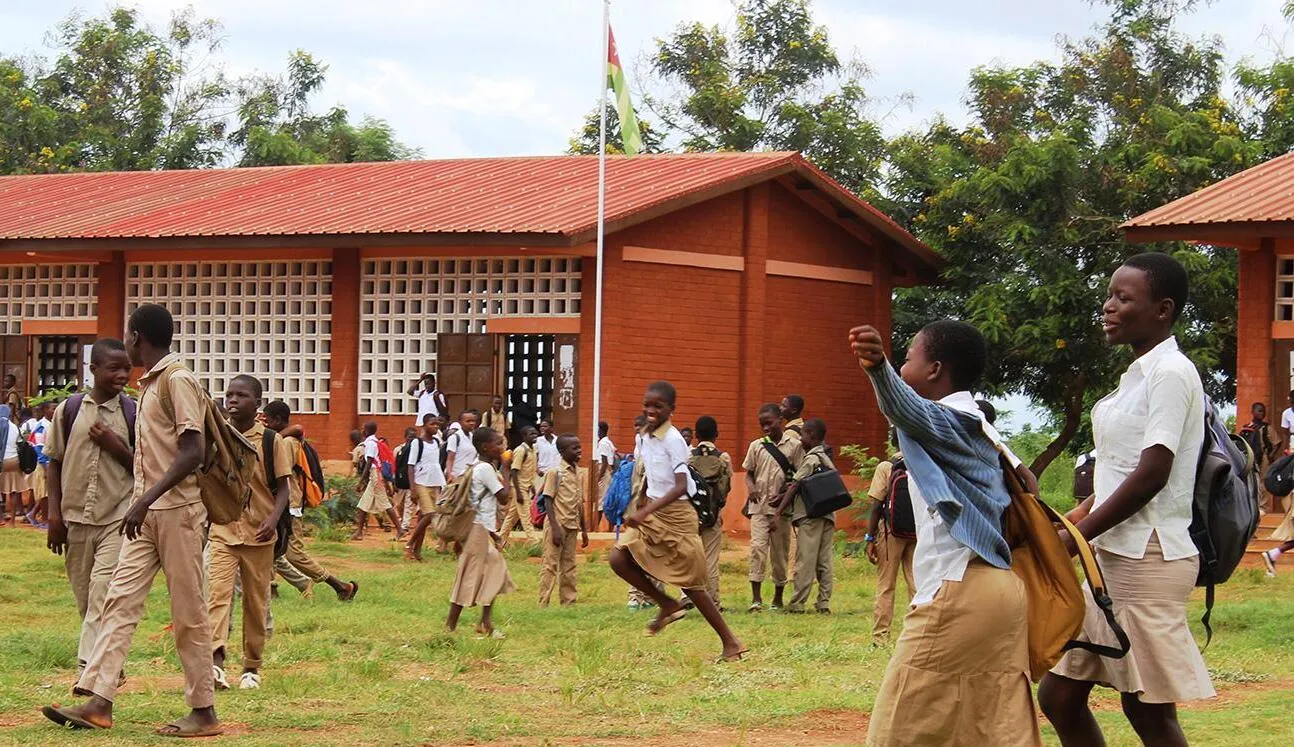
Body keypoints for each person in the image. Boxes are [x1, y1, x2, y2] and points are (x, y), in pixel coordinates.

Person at [1039, 253, 1214, 747]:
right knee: (1058, 697)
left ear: (1162, 309)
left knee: (1148, 709)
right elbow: (1121, 473)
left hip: (1147, 558)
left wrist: (1076, 538)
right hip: (1112, 558)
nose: (1108, 306)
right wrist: (1074, 521)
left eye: (1123, 297)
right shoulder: (1137, 375)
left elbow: (1152, 473)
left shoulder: (1171, 372)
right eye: (1109, 295)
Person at [850, 319, 1040, 746]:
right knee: (991, 731)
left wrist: (879, 367)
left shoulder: (950, 421)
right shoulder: (984, 428)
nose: (902, 365)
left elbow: (905, 408)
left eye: (908, 358)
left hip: (959, 591)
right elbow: (1029, 482)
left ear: (934, 370)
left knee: (895, 733)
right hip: (1001, 593)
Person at [43, 303, 222, 737]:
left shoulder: (177, 380)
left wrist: (145, 500)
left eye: (128, 335)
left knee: (189, 614)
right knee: (118, 602)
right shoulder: (152, 384)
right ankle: (99, 702)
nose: (126, 342)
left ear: (138, 336)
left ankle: (203, 711)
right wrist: (142, 504)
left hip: (176, 512)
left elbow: (193, 451)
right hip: (146, 514)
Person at [609, 381, 745, 661]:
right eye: (647, 404)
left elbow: (681, 485)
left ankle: (731, 642)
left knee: (692, 584)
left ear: (671, 409)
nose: (651, 410)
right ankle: (667, 604)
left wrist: (646, 511)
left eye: (658, 406)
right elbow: (651, 473)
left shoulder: (673, 439)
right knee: (618, 559)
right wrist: (644, 500)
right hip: (654, 511)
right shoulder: (645, 436)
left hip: (677, 515)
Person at [45, 339, 135, 683]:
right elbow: (53, 461)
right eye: (114, 368)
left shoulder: (132, 413)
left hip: (117, 516)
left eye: (126, 368)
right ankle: (112, 664)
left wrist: (115, 446)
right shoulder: (68, 411)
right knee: (85, 599)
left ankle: (90, 672)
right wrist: (54, 515)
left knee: (103, 592)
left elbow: (143, 466)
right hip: (75, 519)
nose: (122, 374)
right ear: (93, 369)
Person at [206, 375, 292, 691]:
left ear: (257, 403)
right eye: (228, 394)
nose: (232, 400)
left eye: (241, 395)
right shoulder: (218, 436)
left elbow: (284, 487)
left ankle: (251, 667)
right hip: (223, 530)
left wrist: (272, 518)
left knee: (256, 604)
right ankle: (215, 662)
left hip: (259, 535)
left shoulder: (272, 441)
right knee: (217, 597)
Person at [261, 401, 358, 600]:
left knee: (293, 553)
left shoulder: (287, 443)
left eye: (268, 420)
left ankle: (340, 586)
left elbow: (280, 474)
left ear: (278, 420)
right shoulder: (288, 438)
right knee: (270, 547)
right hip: (284, 504)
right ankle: (270, 590)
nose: (265, 423)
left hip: (288, 505)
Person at [445, 427, 515, 638]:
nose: (502, 448)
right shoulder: (485, 469)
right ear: (486, 447)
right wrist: (506, 469)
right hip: (477, 530)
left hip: (481, 528)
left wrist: (493, 533)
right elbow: (504, 498)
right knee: (471, 574)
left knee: (492, 571)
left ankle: (484, 622)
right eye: (498, 444)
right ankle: (453, 625)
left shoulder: (478, 467)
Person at [742, 403, 804, 612]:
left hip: (782, 511)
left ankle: (777, 598)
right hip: (759, 508)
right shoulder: (756, 446)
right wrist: (751, 488)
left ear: (780, 420)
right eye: (762, 425)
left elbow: (798, 478)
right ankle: (756, 599)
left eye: (769, 423)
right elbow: (749, 472)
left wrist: (784, 498)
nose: (766, 428)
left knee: (779, 554)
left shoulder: (794, 446)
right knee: (757, 549)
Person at [773, 418, 836, 614]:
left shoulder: (810, 459)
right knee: (825, 561)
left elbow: (796, 485)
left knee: (805, 559)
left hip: (811, 515)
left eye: (803, 435)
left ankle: (797, 603)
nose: (800, 439)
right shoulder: (826, 458)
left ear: (812, 435)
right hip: (828, 514)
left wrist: (778, 512)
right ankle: (823, 603)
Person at [865, 431, 916, 644]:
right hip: (918, 532)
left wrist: (870, 537)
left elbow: (876, 504)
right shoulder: (922, 465)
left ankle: (880, 637)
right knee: (917, 584)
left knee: (886, 584)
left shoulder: (886, 467)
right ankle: (916, 635)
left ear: (892, 442)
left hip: (890, 532)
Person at [538, 434, 589, 606]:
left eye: (579, 446)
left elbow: (579, 503)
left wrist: (584, 530)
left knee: (569, 566)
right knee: (550, 564)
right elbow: (548, 500)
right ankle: (543, 602)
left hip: (573, 526)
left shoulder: (579, 473)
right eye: (574, 448)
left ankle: (569, 601)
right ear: (562, 451)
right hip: (557, 525)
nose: (579, 450)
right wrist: (555, 527)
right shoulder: (555, 473)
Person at [690, 416, 731, 609]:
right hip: (713, 514)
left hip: (691, 515)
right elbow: (725, 488)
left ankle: (687, 597)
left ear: (696, 435)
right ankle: (713, 600)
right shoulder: (723, 458)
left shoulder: (689, 457)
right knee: (711, 559)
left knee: (691, 557)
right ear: (717, 434)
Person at [404, 414, 448, 561]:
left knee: (423, 518)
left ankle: (417, 551)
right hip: (421, 482)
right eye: (432, 424)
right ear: (424, 426)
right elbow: (410, 465)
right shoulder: (417, 443)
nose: (435, 427)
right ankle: (409, 544)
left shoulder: (436, 442)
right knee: (430, 514)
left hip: (434, 482)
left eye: (437, 424)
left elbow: (436, 464)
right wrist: (412, 488)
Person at [352, 421, 403, 541]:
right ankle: (359, 532)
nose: (362, 430)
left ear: (365, 431)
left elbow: (369, 462)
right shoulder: (374, 441)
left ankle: (400, 530)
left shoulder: (370, 444)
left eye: (363, 428)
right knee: (363, 505)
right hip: (375, 475)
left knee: (385, 503)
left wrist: (361, 481)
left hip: (375, 476)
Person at [500, 425, 539, 545]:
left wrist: (532, 488)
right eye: (531, 434)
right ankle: (534, 542)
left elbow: (529, 470)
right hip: (520, 488)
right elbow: (514, 471)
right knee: (526, 517)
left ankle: (500, 539)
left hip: (526, 487)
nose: (534, 436)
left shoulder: (533, 449)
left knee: (512, 516)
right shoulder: (521, 450)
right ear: (524, 436)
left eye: (535, 433)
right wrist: (518, 493)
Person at [1240, 402, 1280, 513]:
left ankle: (1263, 507)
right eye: (1259, 410)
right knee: (1251, 481)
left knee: (1263, 482)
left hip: (1263, 457)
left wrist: (1271, 454)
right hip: (1250, 457)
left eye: (1263, 411)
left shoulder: (1267, 428)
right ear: (1253, 412)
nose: (1262, 413)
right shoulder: (1246, 428)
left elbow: (1277, 442)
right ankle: (1251, 506)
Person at [594, 421, 616, 531]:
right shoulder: (608, 442)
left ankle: (595, 527)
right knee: (607, 500)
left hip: (604, 472)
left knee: (600, 502)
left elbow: (604, 461)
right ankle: (609, 528)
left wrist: (598, 478)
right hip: (609, 472)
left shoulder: (603, 443)